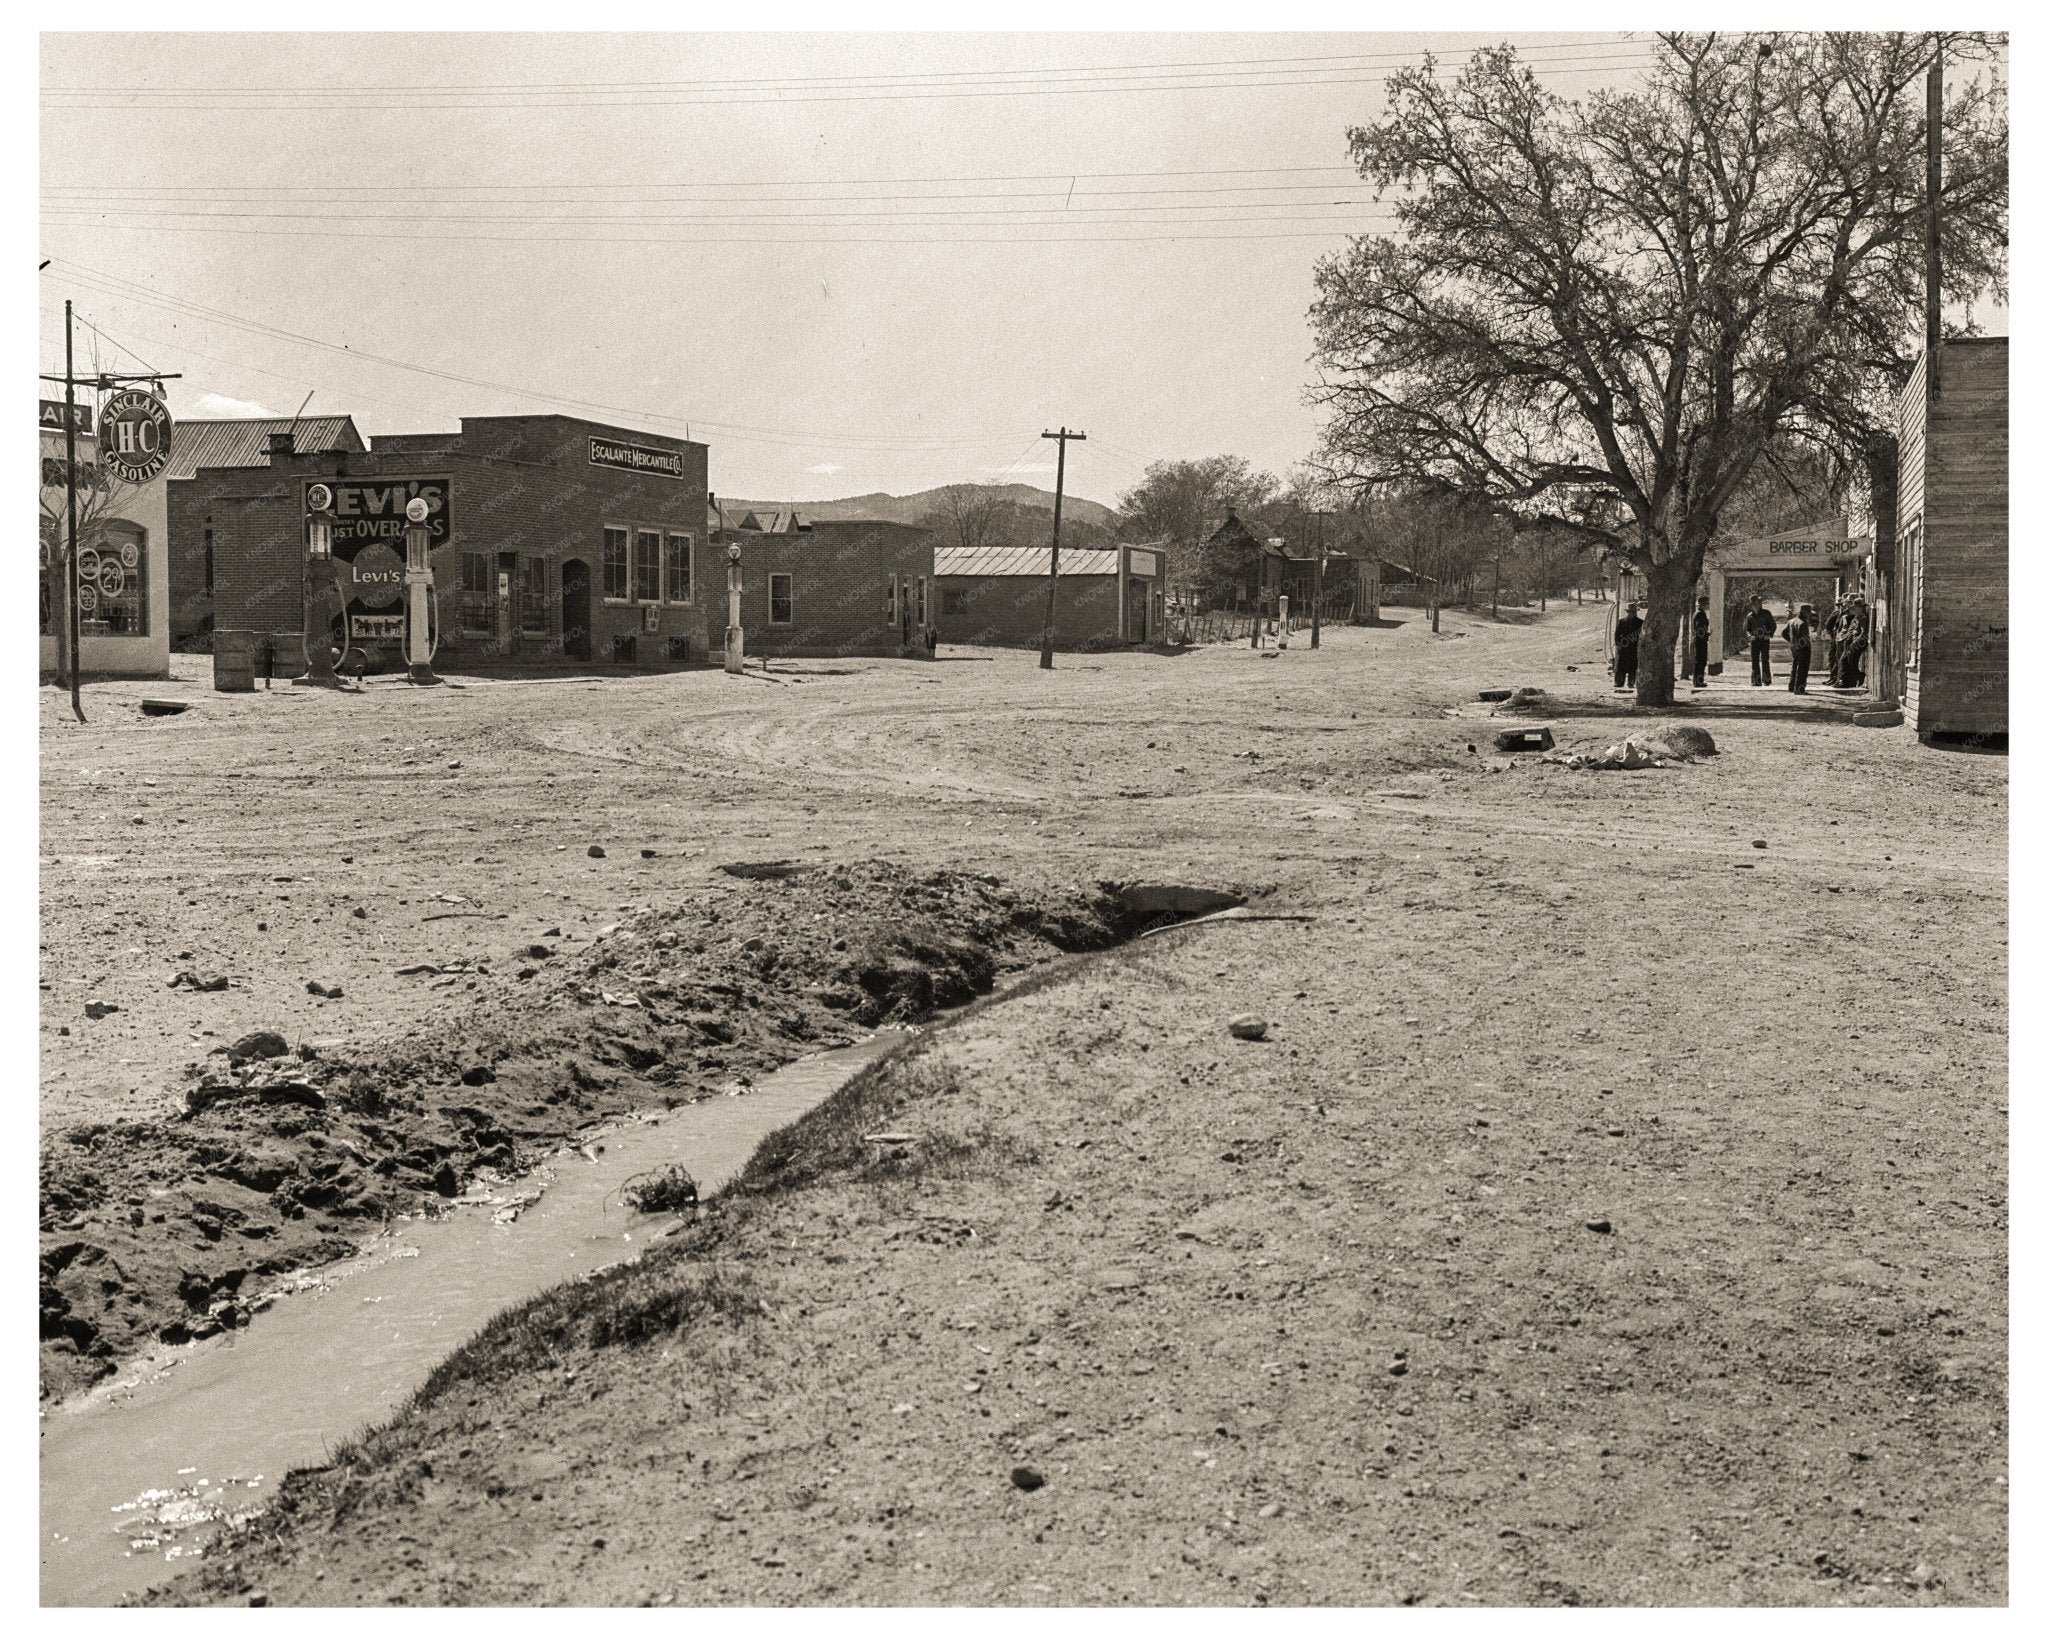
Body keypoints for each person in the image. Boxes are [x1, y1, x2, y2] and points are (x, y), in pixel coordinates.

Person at [1744, 595, 1778, 685]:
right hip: (1754, 641)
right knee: (1754, 660)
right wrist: (1749, 636)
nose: (1758, 604)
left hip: (1764, 640)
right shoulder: (1749, 616)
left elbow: (1773, 625)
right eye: (1756, 603)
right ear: (1753, 604)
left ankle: (1766, 680)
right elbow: (1747, 629)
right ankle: (1756, 681)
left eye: (1759, 602)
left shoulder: (1766, 613)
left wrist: (1770, 634)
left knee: (1765, 660)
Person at [1783, 603, 1814, 694]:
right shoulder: (1803, 623)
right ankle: (1800, 689)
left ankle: (1792, 686)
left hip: (1794, 648)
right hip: (1803, 649)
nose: (1809, 615)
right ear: (1804, 613)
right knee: (1802, 669)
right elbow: (1805, 638)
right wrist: (1808, 645)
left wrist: (1792, 642)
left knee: (1794, 667)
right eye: (1808, 613)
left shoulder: (1792, 621)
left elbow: (1783, 633)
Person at [1613, 601, 1643, 690]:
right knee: (1621, 667)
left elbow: (1642, 636)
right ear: (1627, 612)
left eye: (1633, 612)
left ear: (1636, 612)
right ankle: (1619, 683)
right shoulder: (1622, 622)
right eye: (1630, 612)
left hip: (1634, 649)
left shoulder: (1641, 623)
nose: (1631, 614)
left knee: (1633, 668)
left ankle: (1631, 684)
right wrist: (1619, 645)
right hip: (1623, 649)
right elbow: (1617, 635)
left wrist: (1639, 646)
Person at [1690, 595, 1712, 688]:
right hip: (1700, 641)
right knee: (1701, 661)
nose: (1708, 605)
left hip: (1699, 640)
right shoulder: (1700, 614)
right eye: (1707, 604)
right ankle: (1699, 682)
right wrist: (1708, 634)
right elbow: (1700, 629)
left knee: (1699, 661)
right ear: (1704, 604)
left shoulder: (1697, 613)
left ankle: (1698, 681)